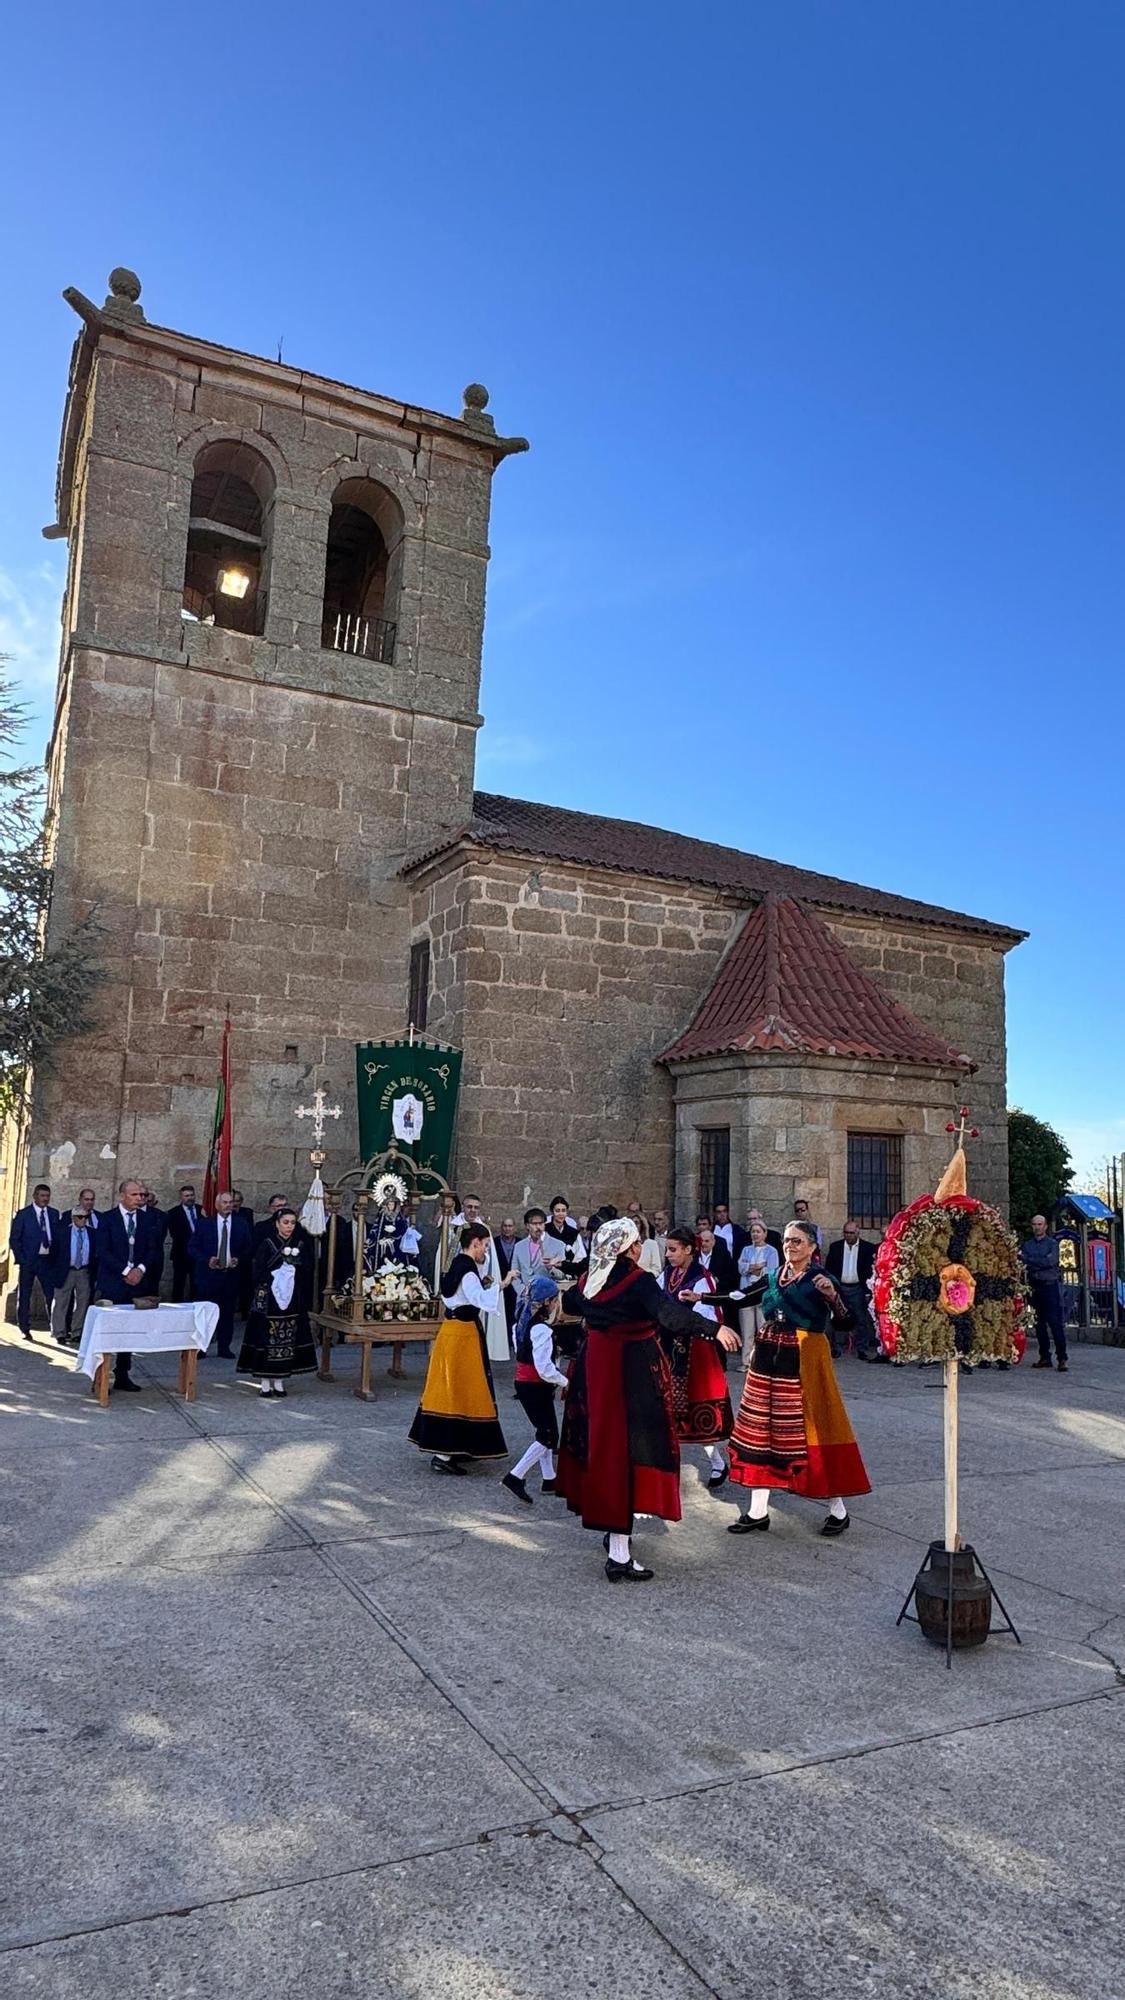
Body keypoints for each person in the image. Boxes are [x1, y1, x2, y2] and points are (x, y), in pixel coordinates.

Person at [556, 1217, 735, 1582]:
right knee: (626, 1454)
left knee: (603, 1449)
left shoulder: (591, 1279)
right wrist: (714, 1328)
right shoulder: (638, 1281)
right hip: (630, 1372)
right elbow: (669, 1315)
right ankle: (619, 1554)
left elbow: (572, 1304)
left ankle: (614, 1535)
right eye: (636, 1243)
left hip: (594, 1371)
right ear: (628, 1248)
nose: (640, 1249)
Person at [727, 1220, 871, 1539]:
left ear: (812, 1247)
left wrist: (833, 1297)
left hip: (806, 1356)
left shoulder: (821, 1278)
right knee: (762, 1428)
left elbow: (848, 1322)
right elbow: (740, 1297)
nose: (790, 1246)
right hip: (769, 1357)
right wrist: (701, 1299)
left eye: (797, 1242)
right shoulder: (774, 1277)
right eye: (787, 1241)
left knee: (814, 1427)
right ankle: (757, 1510)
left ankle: (838, 1508)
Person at [408, 1223, 508, 1471]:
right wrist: (502, 1284)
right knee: (462, 1388)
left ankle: (459, 1446)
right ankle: (443, 1456)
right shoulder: (468, 1270)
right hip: (463, 1335)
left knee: (456, 1388)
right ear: (475, 1243)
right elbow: (479, 1300)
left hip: (451, 1332)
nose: (485, 1250)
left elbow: (457, 1296)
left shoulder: (456, 1265)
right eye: (484, 1245)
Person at [661, 1226, 741, 1489]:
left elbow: (708, 1317)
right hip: (671, 1348)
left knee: (697, 1413)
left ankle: (717, 1463)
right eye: (667, 1249)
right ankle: (667, 1467)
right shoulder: (669, 1273)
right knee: (668, 1410)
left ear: (688, 1250)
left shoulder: (702, 1279)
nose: (669, 1254)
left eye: (673, 1250)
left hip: (696, 1351)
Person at [501, 1274, 569, 1504]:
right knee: (548, 1435)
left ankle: (550, 1478)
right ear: (548, 1302)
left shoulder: (520, 1323)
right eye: (555, 1299)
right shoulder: (541, 1329)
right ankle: (515, 1476)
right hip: (535, 1385)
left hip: (527, 1384)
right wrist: (566, 1381)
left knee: (546, 1431)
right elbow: (544, 1368)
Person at [93, 1179, 165, 1392]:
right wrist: (125, 1271)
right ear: (122, 1196)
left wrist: (140, 1270)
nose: (139, 1199)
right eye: (135, 1195)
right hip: (114, 1283)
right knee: (109, 1330)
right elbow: (103, 1251)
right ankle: (101, 1375)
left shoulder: (148, 1219)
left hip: (137, 1284)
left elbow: (153, 1249)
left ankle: (123, 1372)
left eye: (142, 1195)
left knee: (130, 1331)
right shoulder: (107, 1219)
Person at [237, 1207, 316, 1395]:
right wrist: (276, 1276)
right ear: (277, 1224)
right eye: (285, 1223)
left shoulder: (299, 1244)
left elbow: (307, 1269)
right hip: (269, 1299)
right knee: (266, 1337)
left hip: (291, 1300)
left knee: (287, 1337)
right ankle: (265, 1381)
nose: (289, 1227)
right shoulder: (267, 1243)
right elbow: (257, 1271)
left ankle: (280, 1380)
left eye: (292, 1223)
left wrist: (293, 1273)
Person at [191, 1191, 253, 1358]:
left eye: (231, 1202)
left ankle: (224, 1347)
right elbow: (192, 1248)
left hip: (230, 1276)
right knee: (205, 1313)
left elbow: (249, 1248)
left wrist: (238, 1259)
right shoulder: (204, 1224)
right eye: (224, 1202)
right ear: (217, 1205)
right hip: (208, 1277)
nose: (228, 1205)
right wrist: (206, 1260)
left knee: (227, 1313)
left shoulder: (241, 1224)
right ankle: (202, 1348)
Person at [459, 1196, 509, 1362]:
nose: (472, 1210)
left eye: (476, 1207)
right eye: (469, 1207)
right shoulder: (454, 1227)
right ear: (463, 1207)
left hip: (479, 1280)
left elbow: (489, 1257)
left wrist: (486, 1275)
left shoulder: (483, 1229)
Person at [9, 1183, 61, 1341]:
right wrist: (22, 1258)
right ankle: (24, 1327)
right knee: (25, 1294)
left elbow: (57, 1237)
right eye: (42, 1196)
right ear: (35, 1196)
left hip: (47, 1260)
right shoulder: (24, 1214)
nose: (45, 1199)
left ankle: (55, 1327)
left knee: (51, 1294)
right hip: (29, 1261)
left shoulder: (53, 1214)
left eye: (47, 1196)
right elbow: (15, 1238)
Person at [825, 1222, 878, 1358]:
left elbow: (870, 1271)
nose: (848, 1236)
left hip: (857, 1287)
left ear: (857, 1232)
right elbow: (829, 1268)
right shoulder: (835, 1247)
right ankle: (835, 1347)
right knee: (837, 1317)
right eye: (846, 1233)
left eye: (851, 1233)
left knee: (861, 1318)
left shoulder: (868, 1248)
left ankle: (862, 1348)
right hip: (840, 1287)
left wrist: (867, 1291)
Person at [1022, 1215, 1068, 1372]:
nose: (1037, 1227)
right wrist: (1036, 1261)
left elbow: (1050, 1261)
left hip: (1050, 1287)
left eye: (1040, 1224)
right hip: (1035, 1287)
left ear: (1046, 1226)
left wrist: (1031, 1260)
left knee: (1055, 1324)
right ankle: (1044, 1357)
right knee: (1039, 1324)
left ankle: (1062, 1358)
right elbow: (1023, 1261)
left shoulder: (1052, 1244)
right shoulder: (1027, 1245)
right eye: (1034, 1224)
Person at [48, 1207, 96, 1348]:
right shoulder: (63, 1232)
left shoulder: (92, 1233)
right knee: (61, 1302)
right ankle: (59, 1332)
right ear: (73, 1218)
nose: (83, 1220)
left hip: (84, 1271)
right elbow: (53, 1253)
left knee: (82, 1302)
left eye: (85, 1217)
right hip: (66, 1270)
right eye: (80, 1217)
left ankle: (77, 1332)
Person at [737, 1222, 779, 1349]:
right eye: (753, 1231)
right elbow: (741, 1268)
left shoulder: (772, 1251)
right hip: (746, 1292)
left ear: (765, 1234)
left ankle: (762, 1362)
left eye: (758, 1231)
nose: (755, 1234)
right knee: (746, 1329)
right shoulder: (746, 1250)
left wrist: (752, 1268)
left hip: (762, 1294)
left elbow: (771, 1271)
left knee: (763, 1327)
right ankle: (746, 1362)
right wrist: (759, 1266)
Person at [165, 1184, 201, 1303]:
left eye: (191, 1195)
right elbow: (175, 1234)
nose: (189, 1198)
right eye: (186, 1196)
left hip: (199, 1255)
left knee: (197, 1283)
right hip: (181, 1254)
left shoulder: (202, 1210)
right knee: (179, 1283)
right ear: (181, 1197)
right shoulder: (173, 1213)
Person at [511, 1207, 553, 1300]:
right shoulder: (519, 1246)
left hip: (547, 1298)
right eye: (534, 1224)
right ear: (527, 1225)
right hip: (524, 1298)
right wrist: (522, 1291)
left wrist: (551, 1269)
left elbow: (563, 1275)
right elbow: (514, 1273)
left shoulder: (557, 1245)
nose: (538, 1227)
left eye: (541, 1223)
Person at [696, 1220, 738, 1297]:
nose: (703, 1244)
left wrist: (717, 1280)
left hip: (717, 1294)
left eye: (707, 1241)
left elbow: (731, 1275)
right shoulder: (693, 1256)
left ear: (713, 1242)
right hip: (696, 1294)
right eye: (701, 1241)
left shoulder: (723, 1255)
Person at [495, 1217, 520, 1343]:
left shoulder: (520, 1243)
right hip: (499, 1281)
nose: (507, 1229)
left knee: (514, 1311)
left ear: (514, 1228)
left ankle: (512, 1339)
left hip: (515, 1282)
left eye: (510, 1226)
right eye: (505, 1226)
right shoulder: (495, 1243)